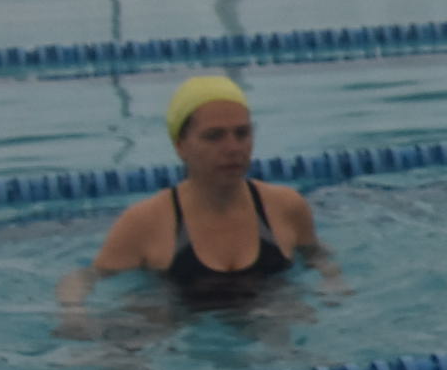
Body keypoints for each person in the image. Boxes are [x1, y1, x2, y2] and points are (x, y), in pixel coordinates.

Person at [62, 75, 322, 308]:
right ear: (180, 145)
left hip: (270, 310)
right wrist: (73, 313)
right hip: (177, 317)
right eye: (214, 136)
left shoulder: (286, 206)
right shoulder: (144, 222)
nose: (233, 148)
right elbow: (85, 277)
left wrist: (333, 284)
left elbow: (317, 256)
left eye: (242, 134)